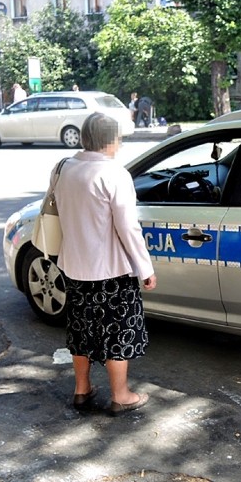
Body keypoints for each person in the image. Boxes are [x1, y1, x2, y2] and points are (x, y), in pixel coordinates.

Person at [52, 112, 157, 416]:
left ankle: (82, 390)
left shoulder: (62, 168)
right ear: (109, 141)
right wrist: (145, 268)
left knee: (81, 330)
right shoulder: (114, 174)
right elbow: (128, 227)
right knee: (117, 331)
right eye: (118, 139)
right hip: (111, 270)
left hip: (73, 266)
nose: (120, 145)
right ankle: (120, 395)